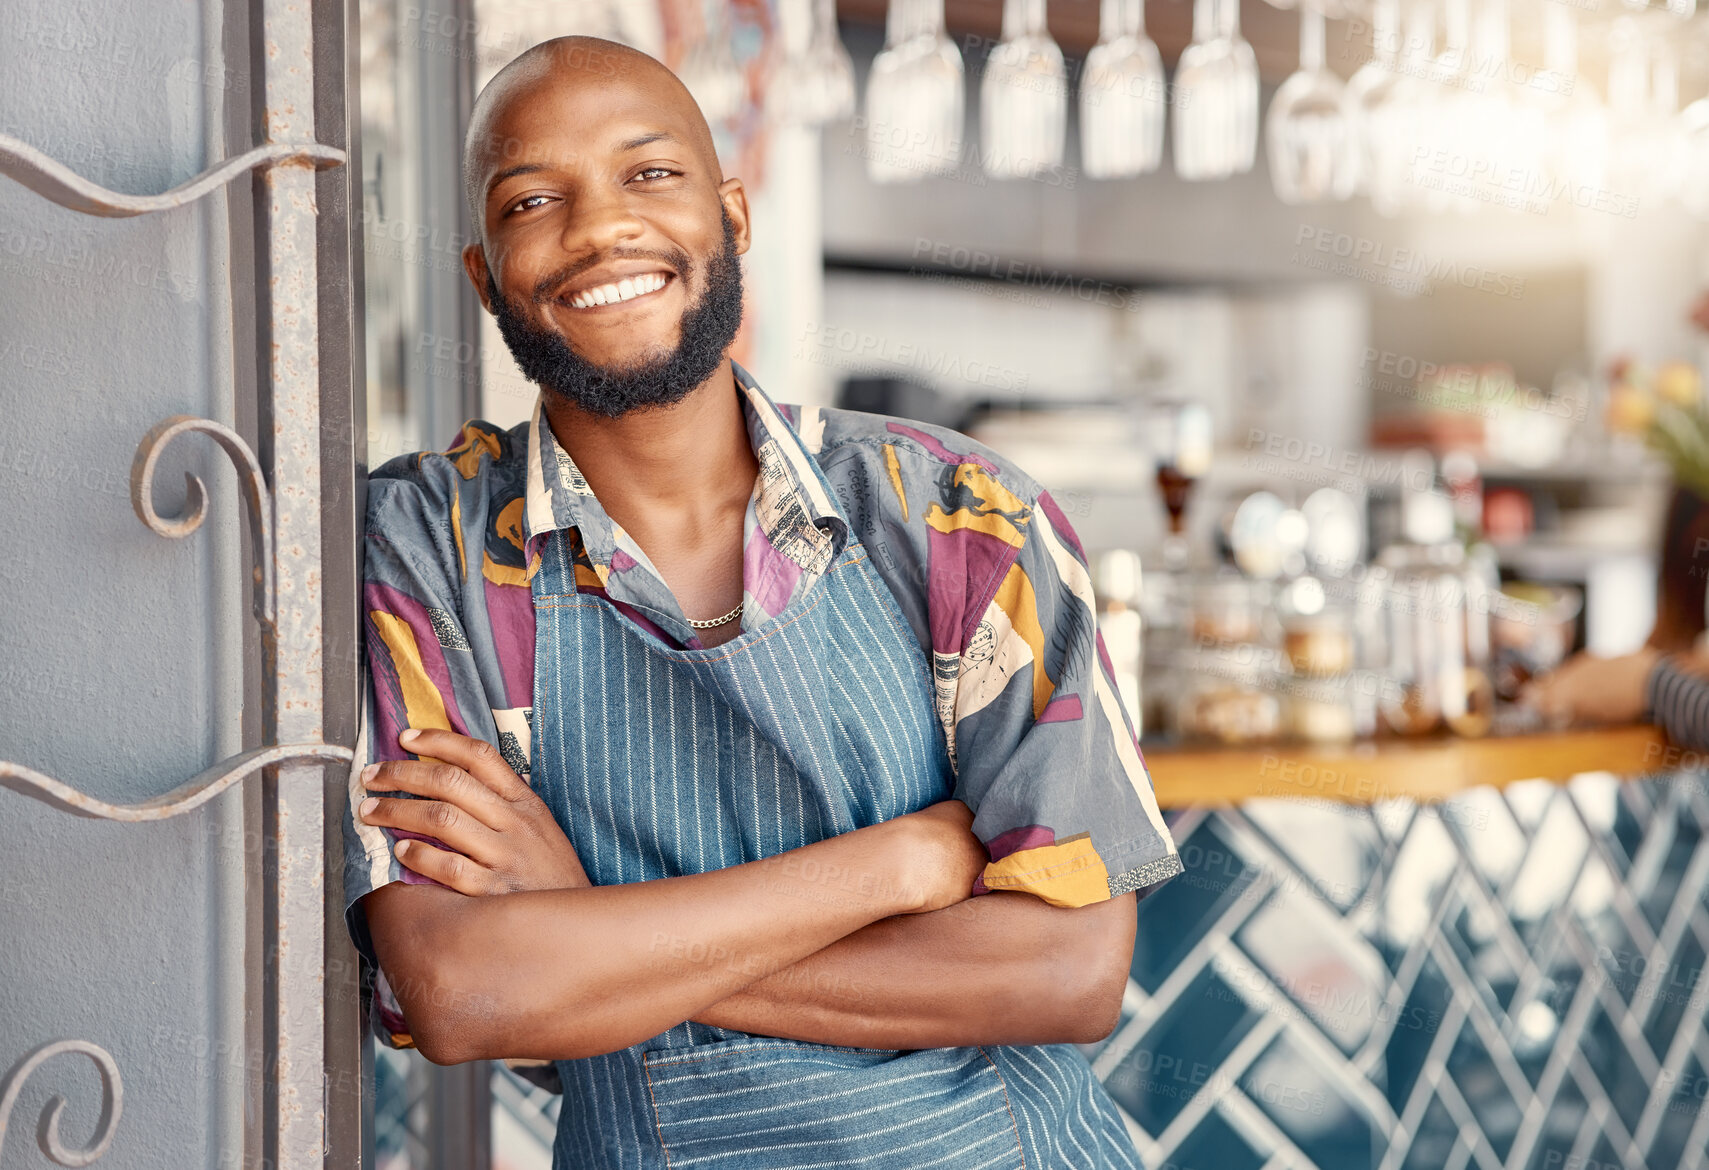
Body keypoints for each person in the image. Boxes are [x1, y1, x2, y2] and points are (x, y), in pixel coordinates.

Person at [339, 34, 1183, 1169]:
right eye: (533, 198)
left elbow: (1067, 971)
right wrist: (888, 872)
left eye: (649, 174)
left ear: (732, 217)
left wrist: (589, 927)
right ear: (485, 274)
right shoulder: (424, 549)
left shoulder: (956, 515)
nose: (598, 228)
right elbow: (461, 990)